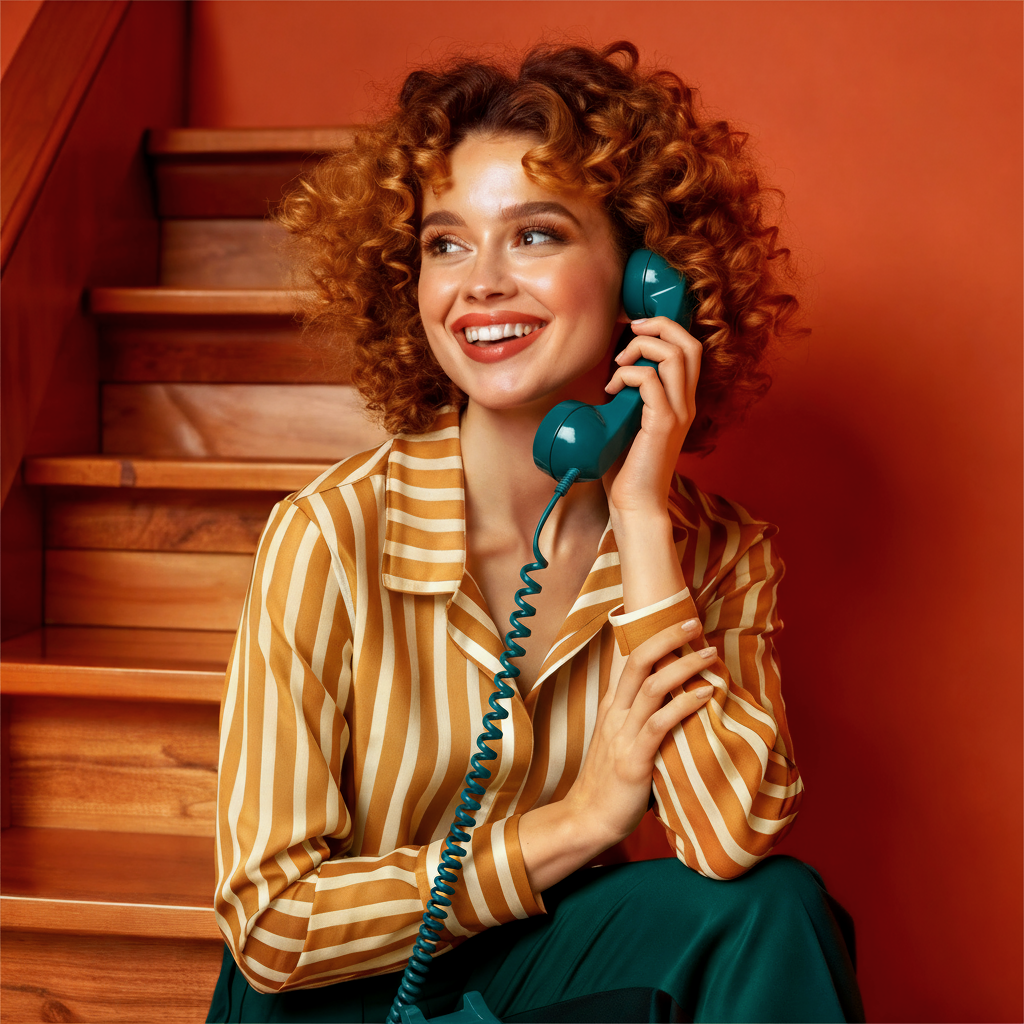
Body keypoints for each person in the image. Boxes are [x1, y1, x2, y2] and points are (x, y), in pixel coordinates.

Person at [207, 41, 865, 1024]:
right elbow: (271, 929)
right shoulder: (331, 535)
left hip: (541, 974)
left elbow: (728, 838)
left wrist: (640, 516)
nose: (479, 283)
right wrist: (579, 822)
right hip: (337, 999)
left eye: (535, 235)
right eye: (446, 245)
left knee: (773, 909)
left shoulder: (717, 550)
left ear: (646, 276)